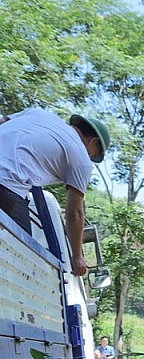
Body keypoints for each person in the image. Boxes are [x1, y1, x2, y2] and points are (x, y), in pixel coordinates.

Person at [0, 108, 110, 277]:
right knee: (19, 260)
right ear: (93, 142)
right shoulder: (81, 159)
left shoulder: (39, 113)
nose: (89, 158)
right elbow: (75, 213)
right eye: (92, 154)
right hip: (7, 184)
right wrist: (78, 257)